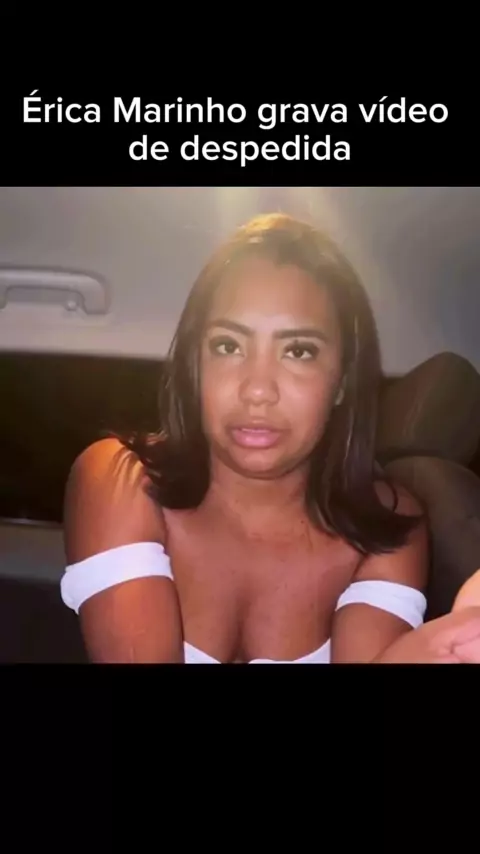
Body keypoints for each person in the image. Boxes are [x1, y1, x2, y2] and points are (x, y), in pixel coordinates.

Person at [60, 212, 480, 663]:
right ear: (195, 365)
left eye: (298, 351)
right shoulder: (121, 479)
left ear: (342, 380)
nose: (257, 389)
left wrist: (432, 650)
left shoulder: (387, 527)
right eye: (228, 346)